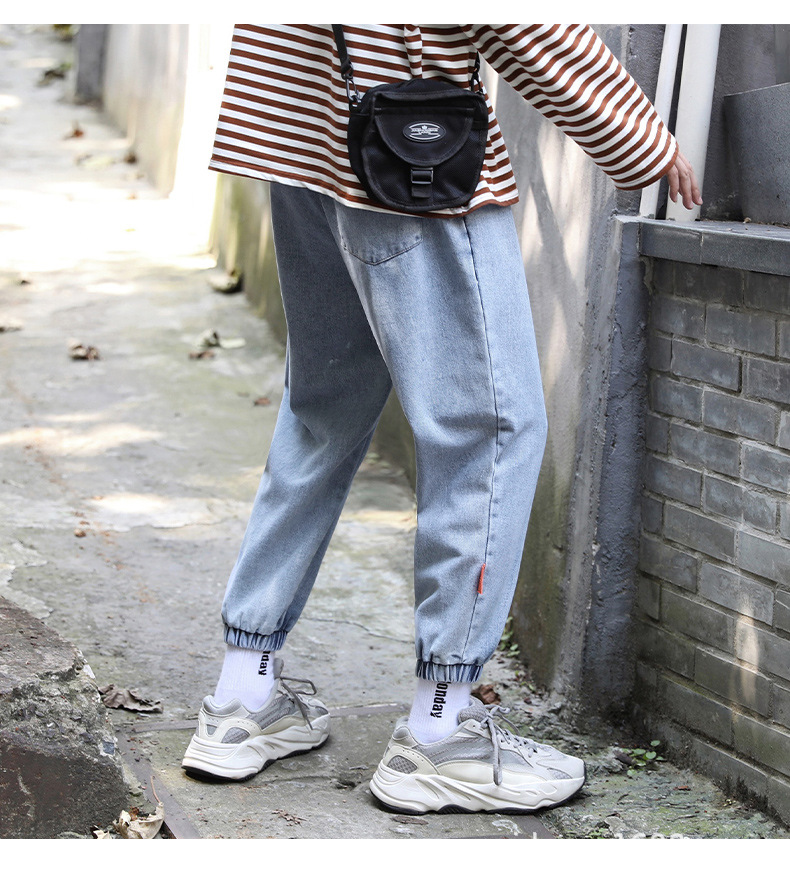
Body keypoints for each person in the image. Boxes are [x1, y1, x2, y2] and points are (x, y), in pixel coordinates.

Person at [181, 24, 701, 814]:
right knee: (490, 432)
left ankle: (240, 696)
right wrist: (639, 136)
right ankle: (440, 732)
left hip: (299, 132)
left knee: (323, 412)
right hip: (410, 157)